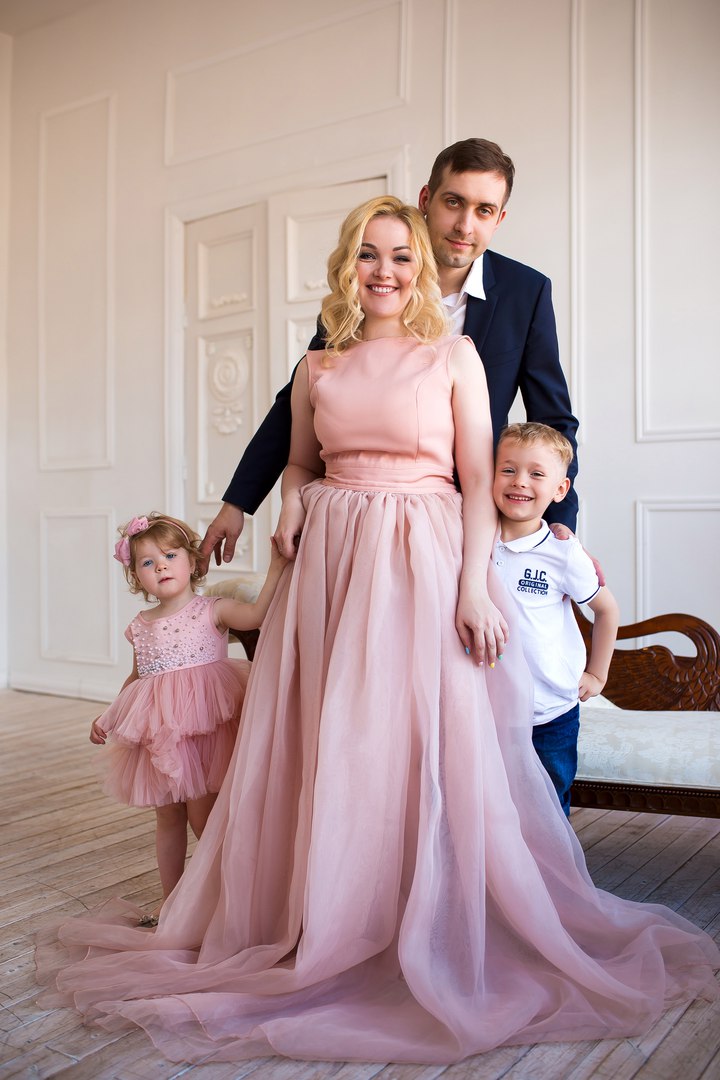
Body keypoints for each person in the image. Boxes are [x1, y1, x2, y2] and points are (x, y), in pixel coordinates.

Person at [38, 200, 718, 1066]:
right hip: (328, 563)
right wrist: (291, 501)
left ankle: (421, 918)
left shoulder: (455, 355)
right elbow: (299, 459)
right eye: (368, 254)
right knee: (331, 733)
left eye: (400, 255)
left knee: (411, 736)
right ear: (346, 266)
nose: (385, 270)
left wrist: (472, 589)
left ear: (422, 267)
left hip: (422, 557)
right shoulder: (319, 364)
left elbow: (475, 480)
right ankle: (324, 911)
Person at [200, 138, 579, 574]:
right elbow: (302, 400)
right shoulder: (365, 290)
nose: (464, 225)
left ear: (499, 219)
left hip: (483, 516)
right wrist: (237, 502)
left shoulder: (526, 292)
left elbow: (552, 419)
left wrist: (557, 527)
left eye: (484, 210)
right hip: (358, 523)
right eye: (453, 202)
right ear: (426, 199)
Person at [89, 512, 286, 918]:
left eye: (170, 556)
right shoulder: (141, 626)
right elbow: (138, 677)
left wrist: (277, 567)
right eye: (147, 562)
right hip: (160, 738)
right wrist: (109, 716)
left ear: (193, 561)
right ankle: (171, 901)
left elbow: (257, 616)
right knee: (167, 816)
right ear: (136, 577)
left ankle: (224, 899)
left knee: (203, 817)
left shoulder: (213, 610)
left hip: (203, 735)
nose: (160, 566)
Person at [492, 423, 619, 815]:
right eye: (508, 469)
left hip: (550, 712)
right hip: (489, 710)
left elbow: (606, 610)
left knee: (548, 806)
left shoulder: (563, 552)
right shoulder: (474, 541)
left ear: (560, 489)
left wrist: (597, 674)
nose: (520, 481)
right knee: (495, 807)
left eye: (536, 473)